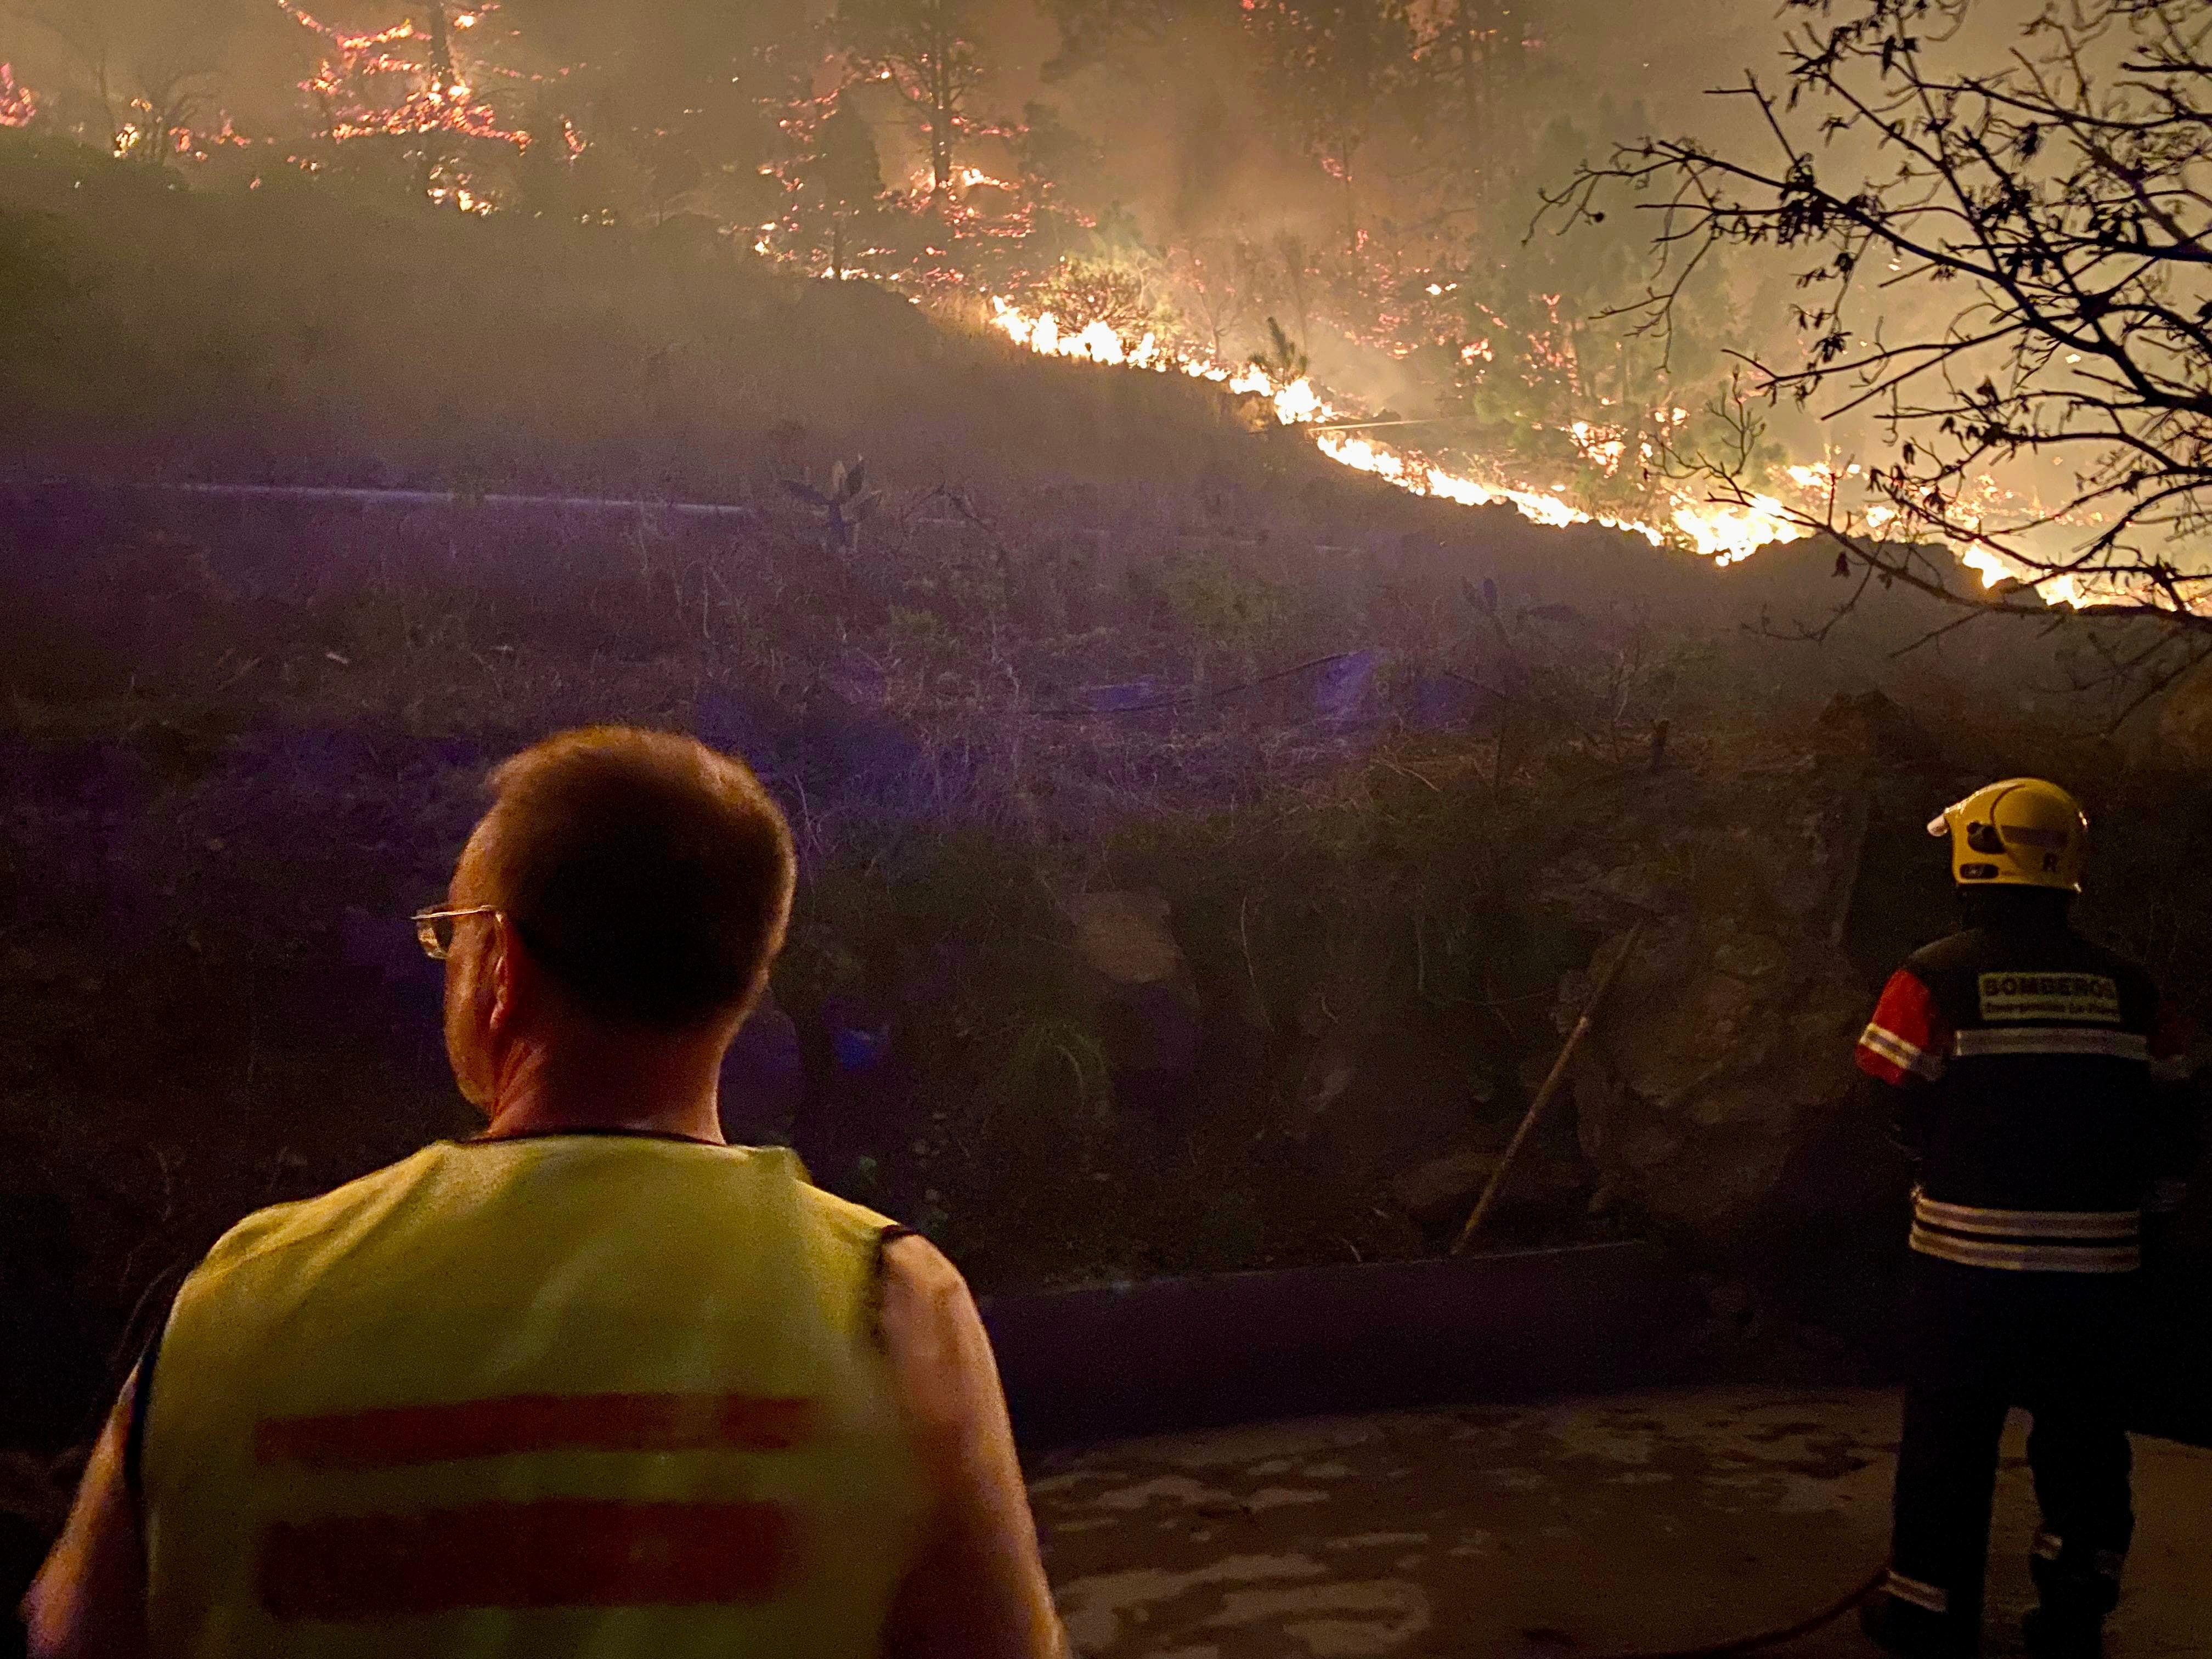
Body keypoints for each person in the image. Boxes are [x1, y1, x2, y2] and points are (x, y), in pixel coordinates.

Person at [23, 726, 1066, 1659]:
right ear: (749, 980)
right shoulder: (889, 1306)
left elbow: (75, 1635)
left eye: (452, 935)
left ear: (502, 969)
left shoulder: (239, 1294)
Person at [1853, 779, 2196, 1659]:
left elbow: (1885, 1100)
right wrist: (2149, 1228)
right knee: (2086, 1449)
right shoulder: (2132, 989)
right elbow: (2173, 1123)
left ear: (1972, 857)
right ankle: (2074, 1609)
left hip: (1964, 1272)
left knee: (1947, 1447)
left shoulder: (1930, 975)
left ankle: (1928, 1616)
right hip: (2098, 1278)